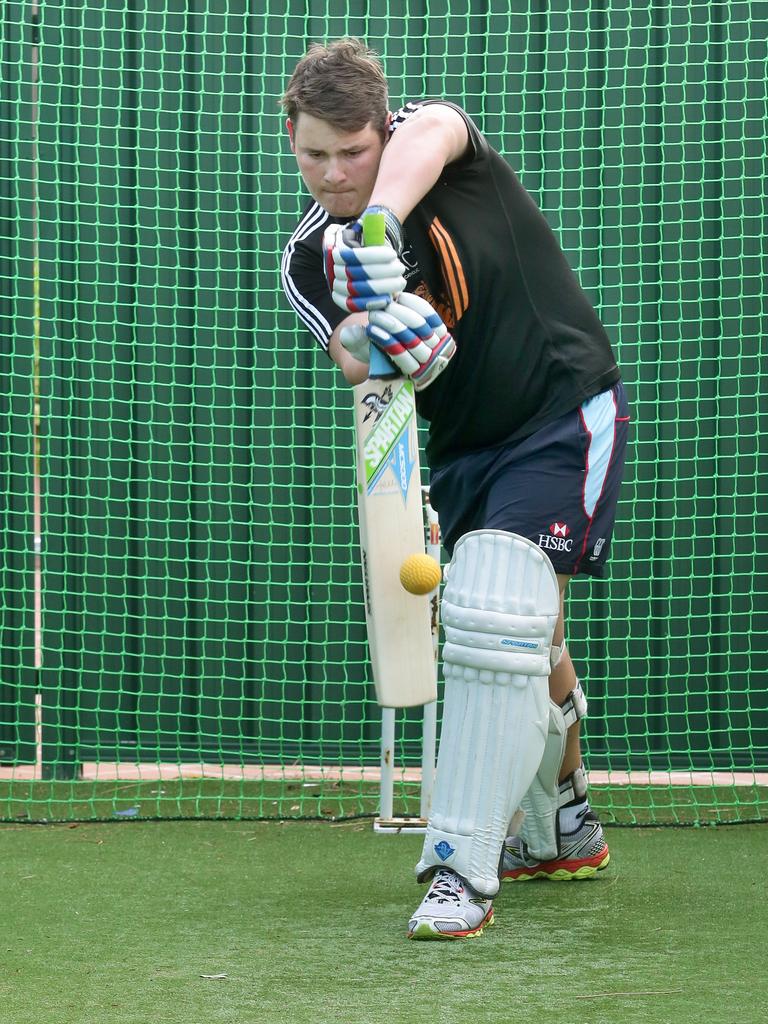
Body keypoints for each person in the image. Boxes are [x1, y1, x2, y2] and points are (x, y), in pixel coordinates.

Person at [280, 38, 629, 941]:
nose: (332, 173)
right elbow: (350, 358)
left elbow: (431, 133)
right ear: (291, 139)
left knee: (496, 612)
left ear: (379, 132)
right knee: (523, 634)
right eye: (313, 152)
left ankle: (460, 865)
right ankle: (563, 823)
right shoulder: (306, 256)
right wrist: (378, 326)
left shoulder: (430, 147)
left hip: (559, 405)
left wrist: (383, 231)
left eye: (350, 151)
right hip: (466, 447)